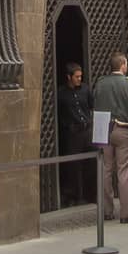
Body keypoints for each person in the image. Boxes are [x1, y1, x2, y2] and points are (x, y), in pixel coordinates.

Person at [93, 52, 128, 223]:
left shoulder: (100, 83)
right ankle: (126, 213)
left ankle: (107, 211)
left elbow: (95, 105)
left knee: (105, 170)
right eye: (126, 64)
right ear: (122, 65)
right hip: (122, 130)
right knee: (124, 171)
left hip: (103, 129)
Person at [57, 61, 94, 204]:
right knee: (74, 166)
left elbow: (92, 105)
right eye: (77, 77)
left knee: (91, 162)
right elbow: (59, 113)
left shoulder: (85, 89)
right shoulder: (61, 93)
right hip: (73, 134)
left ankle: (91, 194)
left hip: (87, 130)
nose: (80, 79)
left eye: (80, 76)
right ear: (69, 77)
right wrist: (67, 125)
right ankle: (77, 196)